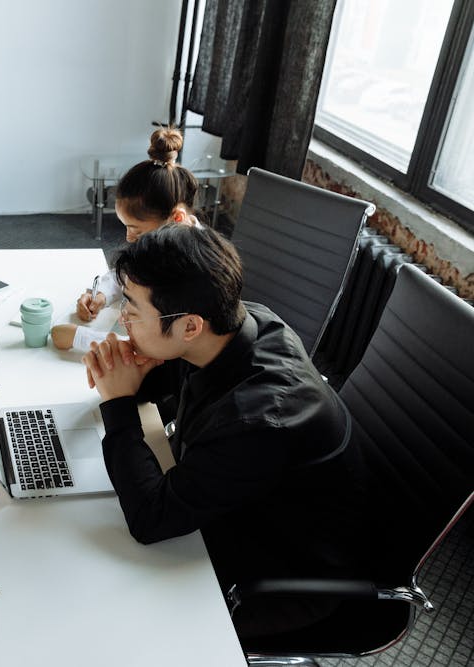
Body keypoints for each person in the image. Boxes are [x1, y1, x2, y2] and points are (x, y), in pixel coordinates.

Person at [82, 223, 367, 640]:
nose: (122, 319)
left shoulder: (257, 421)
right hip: (247, 508)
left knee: (106, 611)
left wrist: (117, 403)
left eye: (132, 310)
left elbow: (150, 519)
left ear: (190, 326)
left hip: (277, 571)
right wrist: (133, 373)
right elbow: (174, 377)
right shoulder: (243, 323)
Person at [52, 127, 198, 351]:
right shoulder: (168, 241)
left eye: (136, 230)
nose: (129, 237)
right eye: (126, 226)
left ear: (176, 218)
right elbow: (129, 276)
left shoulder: (190, 270)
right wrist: (101, 294)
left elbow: (160, 350)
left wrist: (80, 338)